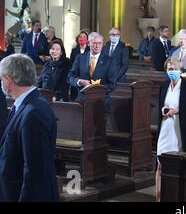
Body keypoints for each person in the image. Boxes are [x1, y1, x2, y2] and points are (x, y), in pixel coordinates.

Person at [0, 54, 59, 202]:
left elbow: (35, 170)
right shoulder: (26, 105)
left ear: (8, 80)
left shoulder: (33, 112)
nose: (1, 83)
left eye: (1, 79)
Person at [155, 57, 186, 202]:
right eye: (170, 69)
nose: (172, 72)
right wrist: (165, 109)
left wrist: (177, 111)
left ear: (180, 70)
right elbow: (161, 105)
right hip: (165, 128)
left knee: (178, 164)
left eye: (175, 69)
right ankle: (158, 198)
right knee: (160, 164)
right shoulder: (164, 86)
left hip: (181, 130)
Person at [68, 32, 117, 98]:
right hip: (83, 98)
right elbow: (70, 77)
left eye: (100, 43)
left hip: (101, 99)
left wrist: (97, 89)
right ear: (88, 43)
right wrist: (79, 82)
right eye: (94, 43)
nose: (97, 46)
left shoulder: (109, 61)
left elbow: (112, 84)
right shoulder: (80, 58)